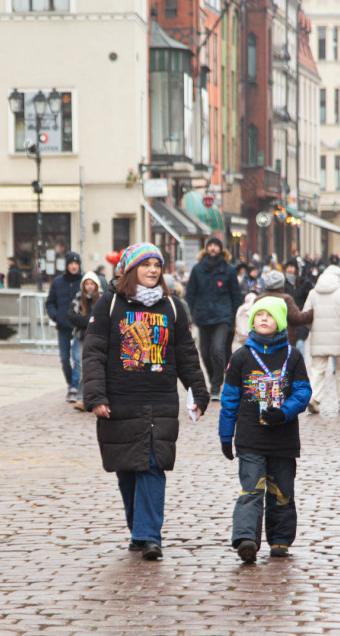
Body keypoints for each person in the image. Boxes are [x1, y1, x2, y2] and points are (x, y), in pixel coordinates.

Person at [82, 243, 210, 561]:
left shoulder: (173, 306)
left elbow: (186, 354)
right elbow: (93, 351)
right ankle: (138, 531)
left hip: (160, 400)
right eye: (145, 264)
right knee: (127, 469)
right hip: (120, 400)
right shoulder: (110, 303)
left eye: (157, 265)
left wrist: (198, 391)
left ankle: (149, 535)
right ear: (131, 269)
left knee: (153, 465)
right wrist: (96, 396)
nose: (153, 270)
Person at [219, 297, 311, 563]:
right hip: (251, 438)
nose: (263, 319)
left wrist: (284, 412)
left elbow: (303, 392)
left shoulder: (293, 356)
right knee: (251, 489)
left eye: (269, 315)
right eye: (258, 315)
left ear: (279, 321)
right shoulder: (241, 357)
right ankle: (246, 538)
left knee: (282, 491)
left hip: (283, 439)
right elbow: (229, 399)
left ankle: (280, 539)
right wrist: (226, 434)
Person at [185, 237, 240, 400]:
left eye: (216, 245)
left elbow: (236, 296)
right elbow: (190, 294)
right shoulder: (197, 269)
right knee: (205, 353)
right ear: (206, 248)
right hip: (203, 316)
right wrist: (188, 316)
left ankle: (216, 386)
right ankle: (213, 379)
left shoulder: (229, 270)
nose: (213, 248)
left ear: (221, 249)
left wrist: (234, 318)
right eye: (211, 245)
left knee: (217, 350)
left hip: (223, 316)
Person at [302, 264, 340, 413]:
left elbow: (306, 315)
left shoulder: (313, 293)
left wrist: (314, 328)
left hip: (319, 337)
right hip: (339, 337)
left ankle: (313, 397)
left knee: (317, 371)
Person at [46, 251, 84, 402]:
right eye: (71, 264)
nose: (74, 266)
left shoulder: (83, 280)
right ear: (67, 265)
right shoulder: (57, 282)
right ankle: (71, 384)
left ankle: (74, 387)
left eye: (76, 264)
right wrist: (56, 316)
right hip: (63, 325)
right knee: (64, 358)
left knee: (78, 358)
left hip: (79, 326)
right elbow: (50, 302)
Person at [67, 271, 102, 411]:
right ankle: (81, 398)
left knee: (96, 368)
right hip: (81, 337)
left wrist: (87, 320)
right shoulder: (77, 298)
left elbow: (102, 318)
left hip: (98, 337)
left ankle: (94, 398)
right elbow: (72, 316)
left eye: (92, 283)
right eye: (87, 283)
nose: (89, 286)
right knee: (82, 366)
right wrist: (89, 320)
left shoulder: (102, 299)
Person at [257, 270, 312, 348]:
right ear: (281, 284)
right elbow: (297, 318)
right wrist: (312, 312)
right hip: (284, 341)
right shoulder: (286, 299)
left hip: (262, 340)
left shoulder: (258, 299)